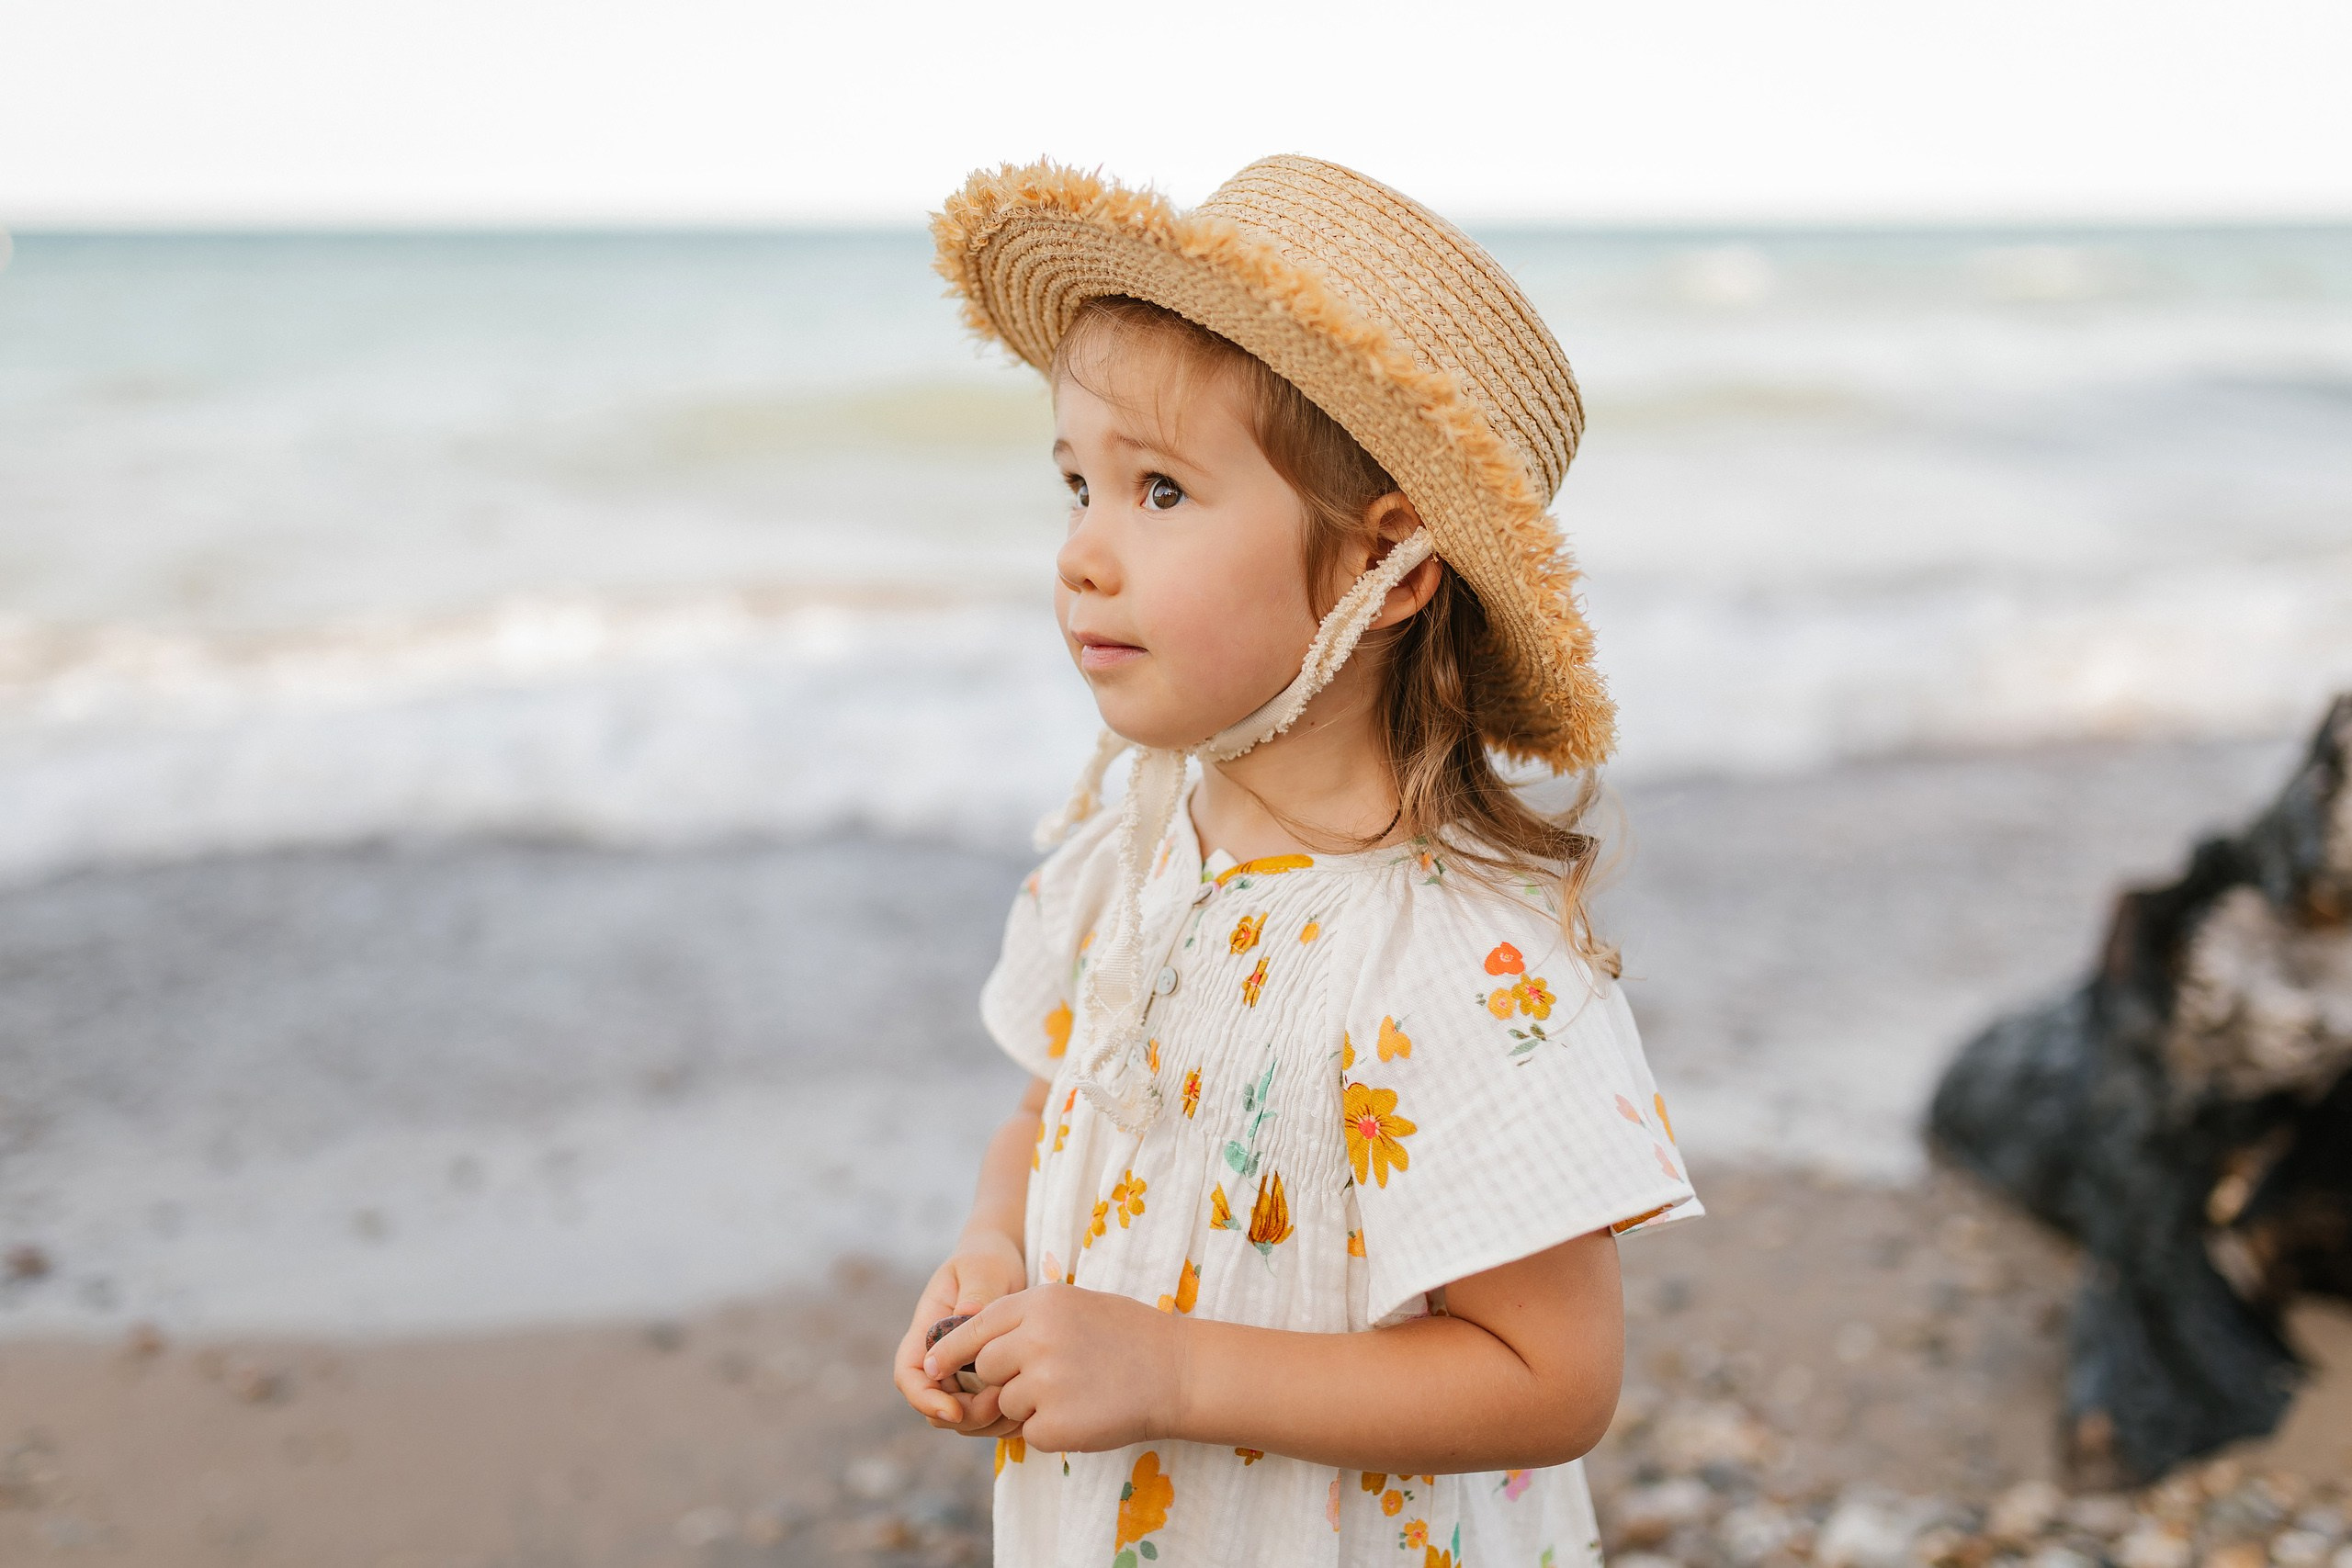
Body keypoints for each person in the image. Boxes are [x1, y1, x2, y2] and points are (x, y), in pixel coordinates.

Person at [895, 154, 1701, 1568]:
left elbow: (1553, 1375)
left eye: (1158, 492)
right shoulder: (1125, 867)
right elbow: (1046, 1117)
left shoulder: (1462, 959)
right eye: (1076, 482)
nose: (1082, 550)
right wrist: (991, 1254)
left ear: (1386, 568)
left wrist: (1175, 1371)